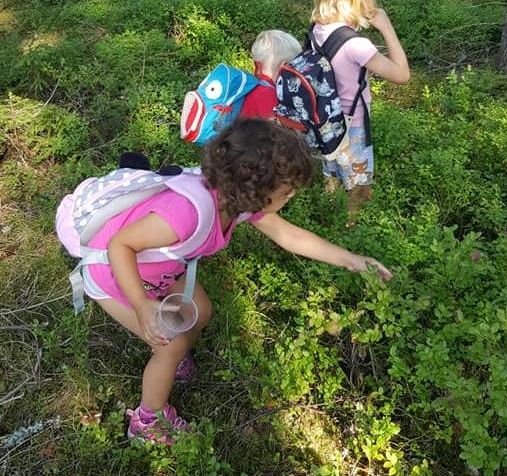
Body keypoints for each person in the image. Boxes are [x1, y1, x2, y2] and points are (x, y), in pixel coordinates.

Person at [81, 119, 392, 444]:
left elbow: (288, 235)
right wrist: (142, 305)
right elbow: (120, 245)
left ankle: (174, 357)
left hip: (157, 270)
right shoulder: (185, 214)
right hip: (116, 274)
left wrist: (354, 261)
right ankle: (147, 420)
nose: (290, 198)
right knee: (173, 343)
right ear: (256, 189)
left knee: (201, 311)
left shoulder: (236, 201)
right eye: (286, 192)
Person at [310, 0, 410, 212]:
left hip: (323, 119)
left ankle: (329, 211)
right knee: (359, 188)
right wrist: (386, 27)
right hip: (351, 125)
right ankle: (350, 230)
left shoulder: (318, 28)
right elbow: (402, 75)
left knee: (331, 170)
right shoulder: (357, 45)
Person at [239, 30, 301, 119]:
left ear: (257, 65)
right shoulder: (267, 94)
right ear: (285, 67)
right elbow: (275, 130)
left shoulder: (252, 88)